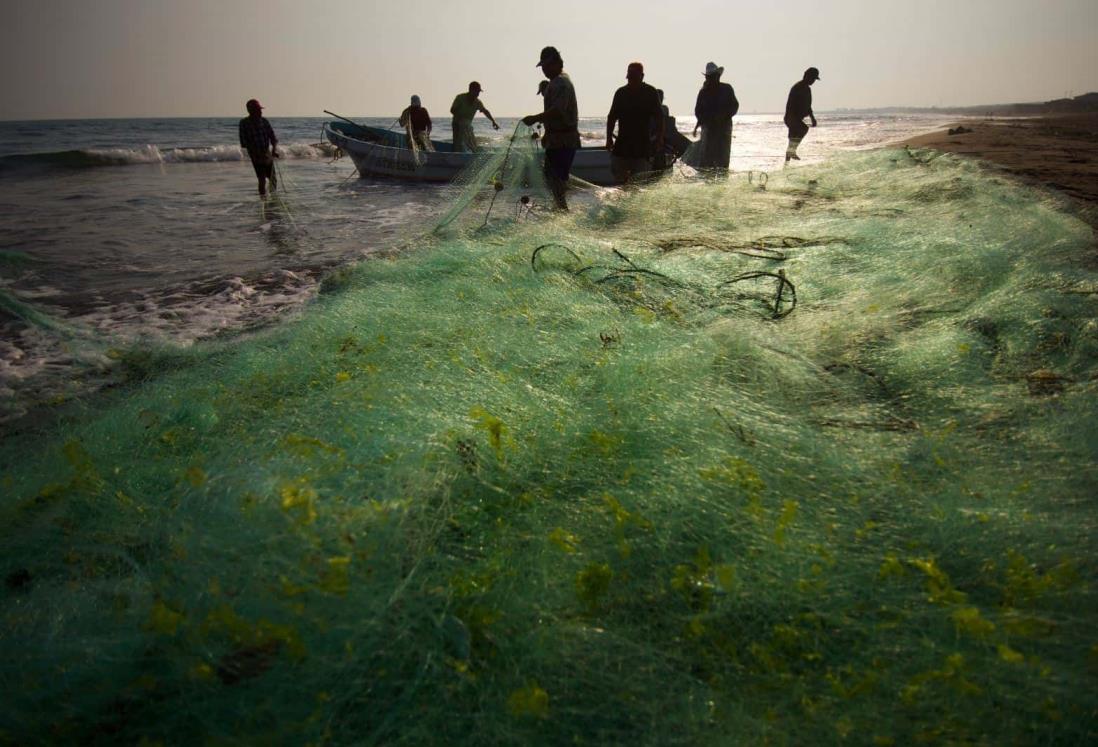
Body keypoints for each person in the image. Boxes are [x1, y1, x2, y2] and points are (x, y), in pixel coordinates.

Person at [523, 46, 580, 210]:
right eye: (543, 67)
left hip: (563, 141)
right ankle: (560, 209)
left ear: (557, 63)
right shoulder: (558, 80)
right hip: (557, 140)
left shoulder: (561, 83)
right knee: (553, 178)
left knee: (557, 180)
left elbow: (557, 110)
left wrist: (535, 118)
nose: (544, 70)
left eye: (547, 66)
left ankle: (562, 211)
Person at [605, 62, 664, 184]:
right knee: (619, 181)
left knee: (639, 184)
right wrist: (609, 138)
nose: (631, 81)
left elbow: (660, 118)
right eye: (630, 77)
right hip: (622, 147)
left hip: (642, 149)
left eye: (634, 77)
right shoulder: (621, 93)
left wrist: (659, 139)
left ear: (642, 76)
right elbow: (611, 118)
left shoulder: (650, 92)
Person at [691, 62, 739, 174]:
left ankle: (721, 182)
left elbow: (734, 106)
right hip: (709, 131)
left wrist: (724, 116)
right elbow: (698, 111)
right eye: (710, 77)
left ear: (718, 76)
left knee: (723, 161)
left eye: (713, 76)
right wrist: (705, 120)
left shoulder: (727, 89)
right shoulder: (703, 92)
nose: (712, 78)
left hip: (724, 130)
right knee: (708, 162)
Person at [238, 99, 279, 196]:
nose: (261, 112)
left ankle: (273, 199)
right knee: (262, 179)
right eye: (258, 110)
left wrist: (273, 150)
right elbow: (244, 143)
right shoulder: (244, 123)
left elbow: (273, 137)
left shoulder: (264, 121)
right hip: (256, 155)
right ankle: (263, 200)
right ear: (251, 111)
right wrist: (257, 154)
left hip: (267, 153)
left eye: (260, 109)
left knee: (273, 179)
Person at [450, 82, 499, 153]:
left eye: (479, 92)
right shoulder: (460, 98)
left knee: (471, 143)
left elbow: (485, 111)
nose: (478, 94)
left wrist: (493, 121)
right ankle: (456, 155)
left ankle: (472, 155)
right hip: (457, 123)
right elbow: (452, 110)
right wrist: (460, 118)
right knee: (458, 142)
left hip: (467, 124)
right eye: (477, 92)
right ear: (471, 90)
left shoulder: (477, 102)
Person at [785, 67, 820, 163]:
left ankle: (786, 164)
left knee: (792, 142)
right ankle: (790, 155)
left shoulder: (807, 89)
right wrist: (793, 119)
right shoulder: (798, 87)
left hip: (796, 118)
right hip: (791, 117)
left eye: (814, 79)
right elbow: (792, 104)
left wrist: (812, 118)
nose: (813, 81)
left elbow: (808, 106)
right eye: (812, 78)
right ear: (806, 76)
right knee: (803, 129)